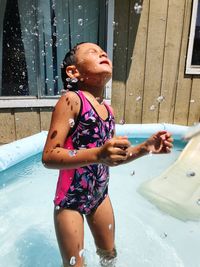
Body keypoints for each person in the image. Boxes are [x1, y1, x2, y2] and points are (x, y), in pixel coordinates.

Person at [42, 42, 173, 267]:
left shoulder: (108, 110)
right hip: (71, 199)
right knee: (75, 264)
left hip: (99, 196)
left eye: (103, 52)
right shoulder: (72, 100)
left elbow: (110, 158)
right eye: (93, 52)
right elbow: (49, 156)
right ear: (74, 72)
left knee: (109, 254)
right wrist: (98, 155)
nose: (102, 53)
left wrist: (145, 148)